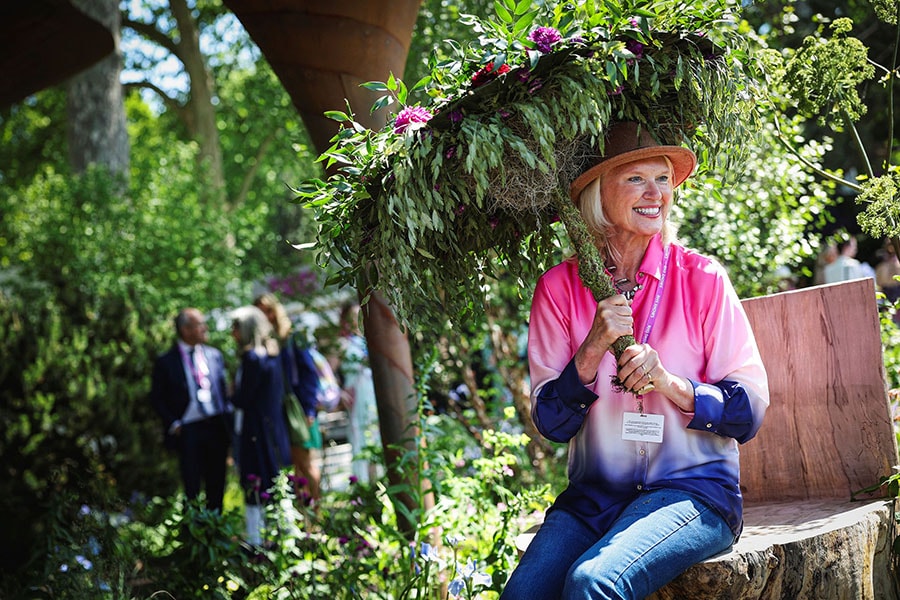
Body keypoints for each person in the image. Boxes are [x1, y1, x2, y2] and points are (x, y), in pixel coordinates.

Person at [501, 122, 770, 599]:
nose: (655, 193)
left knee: (593, 582)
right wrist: (591, 349)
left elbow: (748, 411)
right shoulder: (558, 290)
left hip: (693, 492)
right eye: (635, 179)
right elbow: (551, 421)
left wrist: (670, 383)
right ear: (597, 193)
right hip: (594, 499)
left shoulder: (702, 278)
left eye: (663, 178)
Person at [150, 308, 231, 512]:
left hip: (215, 427)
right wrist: (174, 424)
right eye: (200, 324)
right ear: (186, 330)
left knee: (217, 484)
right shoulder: (165, 362)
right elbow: (157, 399)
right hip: (188, 430)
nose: (205, 328)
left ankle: (217, 533)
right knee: (192, 487)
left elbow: (223, 392)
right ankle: (194, 536)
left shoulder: (214, 355)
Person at [229, 305, 292, 545]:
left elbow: (244, 398)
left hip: (255, 431)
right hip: (271, 429)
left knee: (255, 483)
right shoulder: (271, 354)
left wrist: (231, 394)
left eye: (236, 327)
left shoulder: (253, 359)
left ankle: (257, 540)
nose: (233, 333)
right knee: (276, 483)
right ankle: (284, 537)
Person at [253, 292, 322, 503]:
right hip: (277, 411)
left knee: (306, 462)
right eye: (261, 313)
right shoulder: (262, 342)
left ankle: (317, 512)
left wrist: (309, 409)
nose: (266, 316)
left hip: (298, 409)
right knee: (291, 465)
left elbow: (310, 374)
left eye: (268, 311)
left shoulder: (294, 337)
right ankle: (304, 515)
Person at [336, 301, 381, 484]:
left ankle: (379, 479)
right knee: (360, 437)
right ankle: (364, 485)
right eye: (352, 317)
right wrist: (339, 392)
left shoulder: (367, 340)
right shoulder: (341, 343)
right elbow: (325, 372)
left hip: (372, 394)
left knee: (376, 435)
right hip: (356, 396)